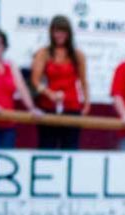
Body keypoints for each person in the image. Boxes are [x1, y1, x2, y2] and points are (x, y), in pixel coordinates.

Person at [30, 15, 89, 149]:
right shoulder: (43, 53)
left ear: (69, 33)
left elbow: (84, 81)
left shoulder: (78, 54)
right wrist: (49, 93)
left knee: (70, 147)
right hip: (48, 106)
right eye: (56, 31)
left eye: (63, 31)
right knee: (47, 146)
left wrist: (86, 103)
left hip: (72, 106)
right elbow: (35, 80)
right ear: (51, 32)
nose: (59, 35)